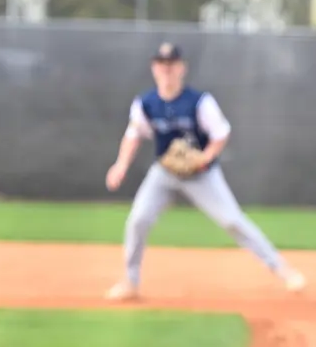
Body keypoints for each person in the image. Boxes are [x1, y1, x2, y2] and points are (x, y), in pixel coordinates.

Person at [104, 40, 304, 299]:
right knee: (138, 220)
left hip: (201, 175)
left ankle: (282, 270)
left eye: (172, 64)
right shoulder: (146, 103)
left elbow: (221, 133)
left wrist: (204, 157)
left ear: (181, 68)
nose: (167, 69)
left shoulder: (199, 102)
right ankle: (130, 283)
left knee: (232, 220)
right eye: (162, 64)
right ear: (154, 68)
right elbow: (133, 134)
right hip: (164, 173)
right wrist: (121, 164)